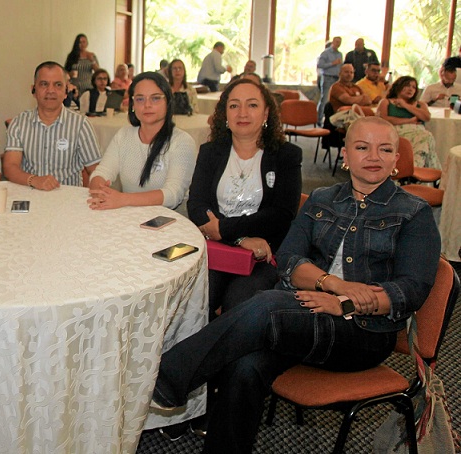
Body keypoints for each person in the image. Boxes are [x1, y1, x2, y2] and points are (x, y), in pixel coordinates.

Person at [152, 116, 440, 454]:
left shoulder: (413, 213)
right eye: (362, 147)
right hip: (302, 314)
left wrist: (344, 303)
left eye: (385, 149)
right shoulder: (322, 199)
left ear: (395, 161)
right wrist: (332, 284)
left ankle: (167, 377)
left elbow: (412, 289)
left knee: (266, 304)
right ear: (345, 154)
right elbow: (288, 260)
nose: (373, 156)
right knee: (244, 366)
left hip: (364, 332)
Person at [189, 77, 302, 317]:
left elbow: (281, 215)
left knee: (239, 307)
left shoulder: (286, 156)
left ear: (266, 113)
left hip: (263, 252)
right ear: (225, 114)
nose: (242, 113)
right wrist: (239, 238)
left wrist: (224, 228)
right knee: (195, 301)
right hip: (217, 247)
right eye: (234, 105)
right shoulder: (210, 152)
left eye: (252, 105)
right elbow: (196, 204)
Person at [87, 71, 197, 210]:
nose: (147, 105)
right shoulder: (124, 135)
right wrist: (99, 190)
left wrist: (123, 199)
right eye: (140, 99)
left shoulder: (181, 142)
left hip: (169, 220)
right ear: (132, 104)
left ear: (168, 102)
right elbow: (101, 172)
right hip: (128, 216)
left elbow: (173, 195)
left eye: (155, 98)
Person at [3, 61, 102, 190]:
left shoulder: (81, 124)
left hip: (68, 201)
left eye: (58, 85)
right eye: (44, 84)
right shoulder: (19, 123)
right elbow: (10, 167)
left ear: (66, 91)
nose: (50, 90)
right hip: (30, 195)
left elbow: (96, 169)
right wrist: (34, 180)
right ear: (33, 90)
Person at [378, 76, 439, 169]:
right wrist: (409, 121)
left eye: (414, 87)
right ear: (398, 86)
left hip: (419, 132)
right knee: (426, 137)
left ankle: (415, 167)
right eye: (407, 85)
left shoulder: (420, 104)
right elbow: (383, 120)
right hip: (398, 134)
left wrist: (405, 105)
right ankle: (421, 169)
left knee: (426, 137)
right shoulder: (386, 102)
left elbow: (426, 117)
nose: (410, 89)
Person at [317, 37, 344, 125]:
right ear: (333, 42)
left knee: (334, 101)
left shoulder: (340, 54)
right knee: (324, 99)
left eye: (340, 42)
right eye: (336, 41)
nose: (338, 43)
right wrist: (332, 63)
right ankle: (319, 120)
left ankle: (332, 121)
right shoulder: (326, 53)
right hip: (327, 78)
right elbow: (320, 65)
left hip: (337, 79)